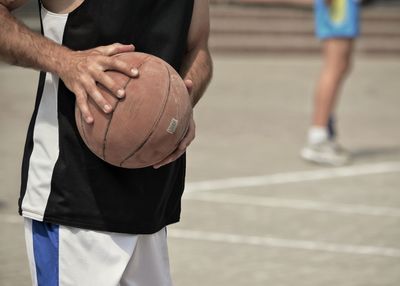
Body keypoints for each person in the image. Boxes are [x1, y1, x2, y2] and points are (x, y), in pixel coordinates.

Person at [0, 0, 212, 285]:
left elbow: (198, 48)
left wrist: (181, 102)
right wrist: (67, 61)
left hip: (152, 204)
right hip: (73, 200)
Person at [301, 0, 360, 166]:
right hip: (338, 4)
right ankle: (318, 138)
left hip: (344, 4)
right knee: (335, 66)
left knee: (342, 65)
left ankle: (325, 129)